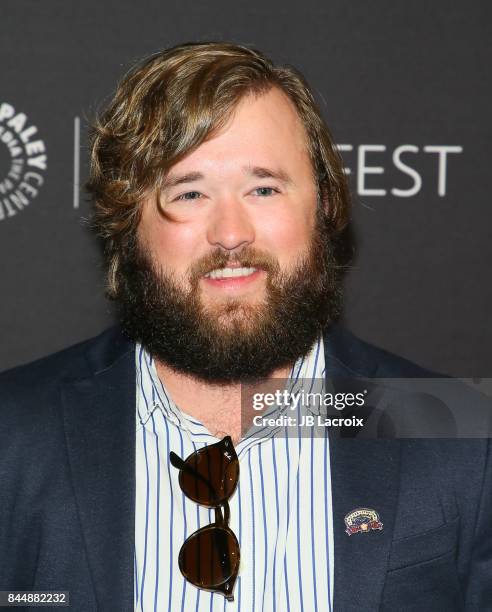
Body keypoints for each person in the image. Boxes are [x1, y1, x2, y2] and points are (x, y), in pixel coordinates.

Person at [0, 42, 490, 612]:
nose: (230, 233)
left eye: (264, 188)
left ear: (324, 205)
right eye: (189, 192)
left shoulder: (460, 440)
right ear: (127, 225)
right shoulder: (13, 438)